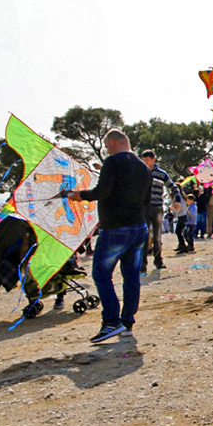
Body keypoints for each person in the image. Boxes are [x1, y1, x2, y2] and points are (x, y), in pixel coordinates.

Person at [68, 129, 151, 343]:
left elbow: (102, 192)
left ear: (113, 143)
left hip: (115, 228)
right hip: (138, 227)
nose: (106, 150)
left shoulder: (112, 163)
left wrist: (80, 196)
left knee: (101, 274)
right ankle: (127, 322)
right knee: (131, 277)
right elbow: (147, 199)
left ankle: (112, 321)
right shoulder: (143, 167)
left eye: (106, 146)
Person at [138, 151, 180, 272]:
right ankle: (142, 264)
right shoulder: (139, 173)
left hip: (157, 207)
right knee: (143, 235)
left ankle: (158, 261)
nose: (145, 162)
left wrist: (177, 201)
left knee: (157, 236)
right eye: (143, 160)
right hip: (143, 207)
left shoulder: (161, 174)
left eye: (148, 160)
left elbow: (173, 187)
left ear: (153, 159)